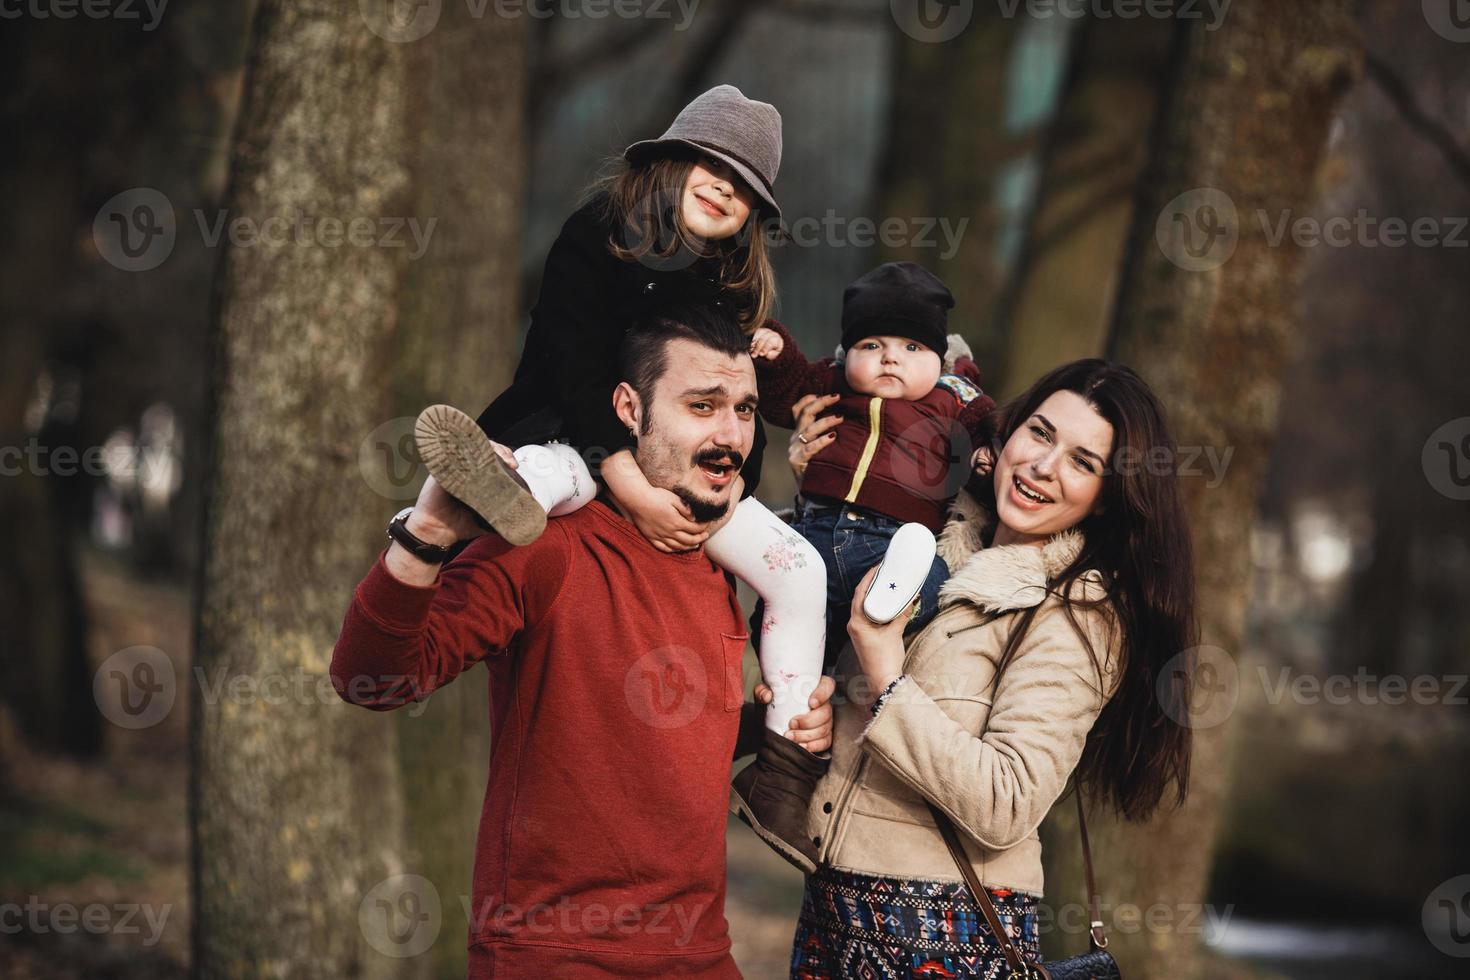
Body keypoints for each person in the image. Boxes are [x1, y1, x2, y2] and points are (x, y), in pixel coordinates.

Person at [330, 299, 836, 979]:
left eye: (744, 409)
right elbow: (374, 679)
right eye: (703, 405)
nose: (731, 434)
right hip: (554, 955)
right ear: (629, 408)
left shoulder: (718, 561)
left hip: (701, 954)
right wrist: (424, 538)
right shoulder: (548, 548)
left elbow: (642, 723)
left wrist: (779, 726)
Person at [414, 84, 840, 860]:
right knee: (545, 481)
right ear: (671, 162)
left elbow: (734, 404)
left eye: (747, 189)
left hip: (690, 474)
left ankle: (781, 773)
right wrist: (627, 480)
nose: (727, 188)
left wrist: (737, 484)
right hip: (576, 435)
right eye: (713, 165)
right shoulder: (597, 238)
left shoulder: (726, 287)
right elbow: (567, 360)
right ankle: (451, 517)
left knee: (801, 570)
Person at [777, 360, 1199, 978]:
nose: (1044, 467)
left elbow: (1007, 801)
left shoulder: (1078, 614)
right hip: (835, 910)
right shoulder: (930, 551)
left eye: (1084, 462)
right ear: (1006, 435)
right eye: (1041, 433)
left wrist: (886, 671)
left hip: (943, 937)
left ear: (1109, 497)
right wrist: (828, 714)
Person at [729, 261, 999, 870]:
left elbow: (995, 424)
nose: (889, 360)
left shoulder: (954, 400)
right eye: (871, 346)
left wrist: (987, 451)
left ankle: (890, 595)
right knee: (796, 643)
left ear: (937, 355)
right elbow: (785, 391)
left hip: (892, 539)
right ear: (847, 351)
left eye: (910, 347)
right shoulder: (834, 386)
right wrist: (774, 350)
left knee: (926, 574)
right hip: (817, 535)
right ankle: (777, 770)